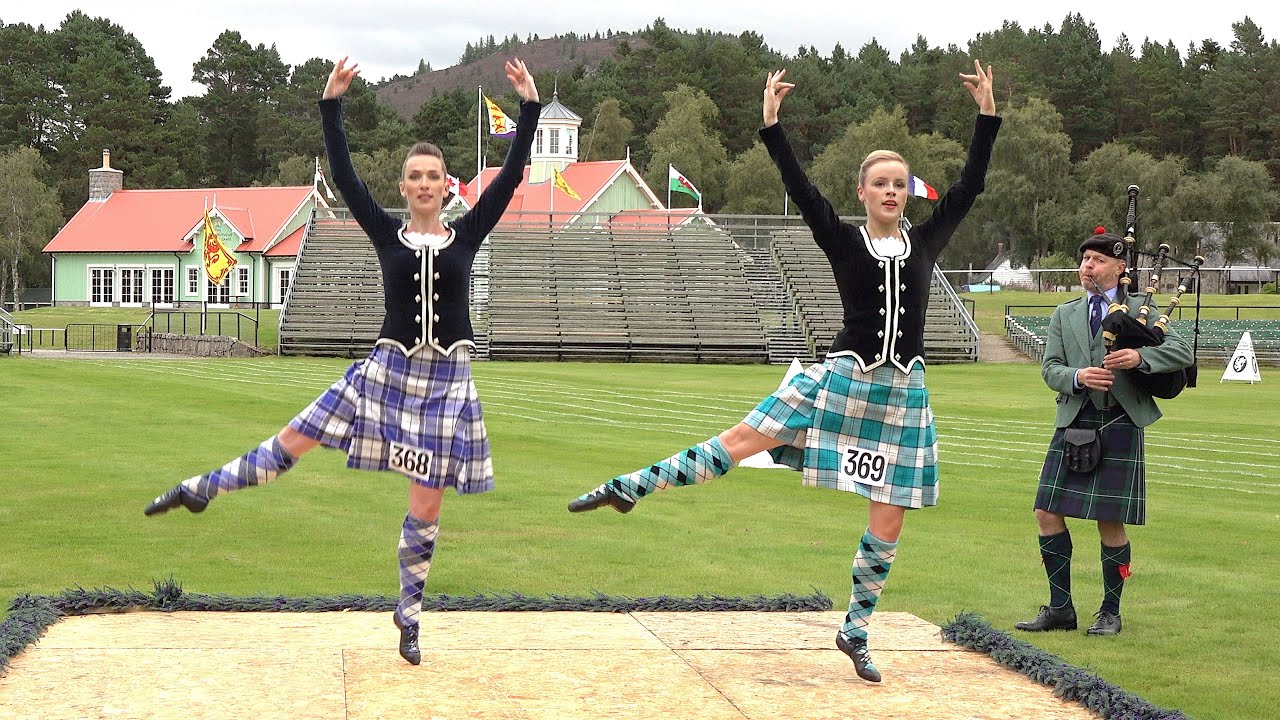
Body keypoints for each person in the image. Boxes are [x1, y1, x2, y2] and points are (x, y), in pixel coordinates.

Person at [568, 61, 1000, 683]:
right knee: (741, 442)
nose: (890, 192)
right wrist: (771, 126)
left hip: (902, 394)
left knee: (889, 516)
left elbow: (969, 188)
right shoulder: (844, 241)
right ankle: (630, 486)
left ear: (907, 193)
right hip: (838, 382)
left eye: (899, 184)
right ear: (862, 192)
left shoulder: (926, 244)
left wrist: (986, 116)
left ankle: (855, 629)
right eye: (880, 183)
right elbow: (802, 189)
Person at [144, 56, 541, 666]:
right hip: (384, 375)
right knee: (293, 441)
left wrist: (529, 109)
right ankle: (201, 487)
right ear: (405, 186)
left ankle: (408, 615)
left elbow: (511, 178)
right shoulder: (385, 233)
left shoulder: (468, 233)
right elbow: (348, 177)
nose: (426, 183)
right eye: (416, 175)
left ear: (447, 183)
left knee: (427, 505)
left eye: (434, 175)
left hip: (446, 386)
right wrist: (331, 106)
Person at [1015, 231, 1193, 637]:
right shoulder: (1066, 313)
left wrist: (1139, 356)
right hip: (1074, 421)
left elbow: (1183, 352)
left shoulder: (1141, 310)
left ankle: (1110, 612)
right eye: (1085, 261)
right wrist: (1077, 376)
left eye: (1096, 261)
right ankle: (1061, 608)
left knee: (1109, 520)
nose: (1087, 267)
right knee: (1046, 512)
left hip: (1120, 422)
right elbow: (1050, 369)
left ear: (1119, 268)